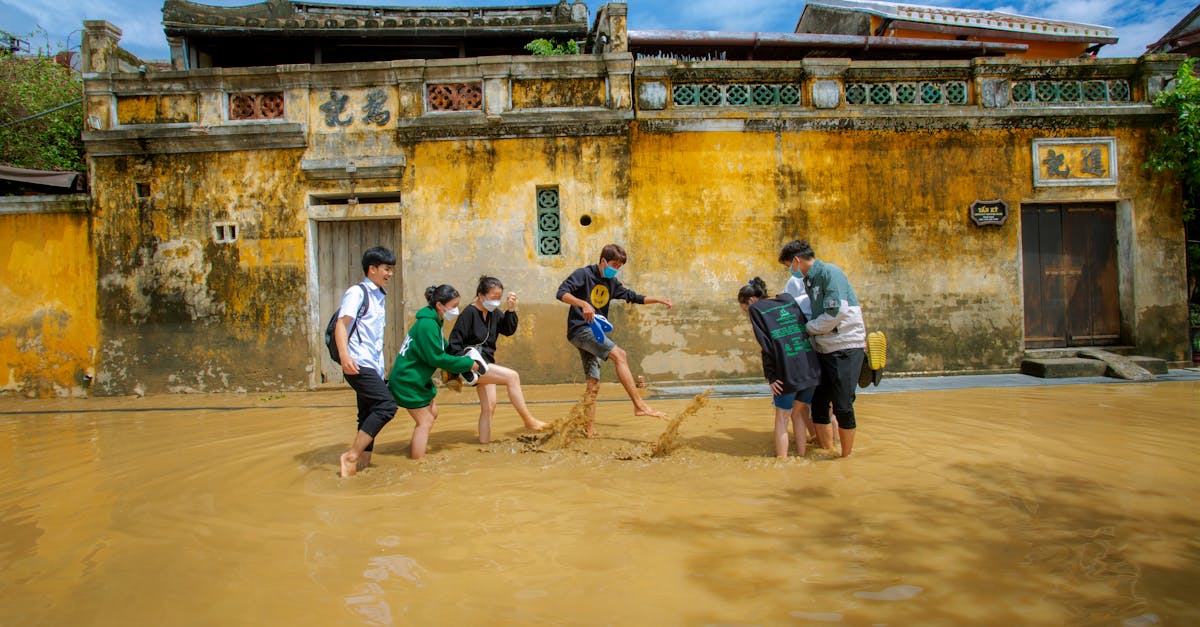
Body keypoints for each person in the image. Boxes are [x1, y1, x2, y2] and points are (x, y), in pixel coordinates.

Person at [556, 243, 673, 436]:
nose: (615, 269)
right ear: (603, 261)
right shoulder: (583, 274)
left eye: (619, 266)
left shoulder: (612, 283)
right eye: (613, 264)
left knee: (593, 383)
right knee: (620, 355)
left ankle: (589, 431)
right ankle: (639, 405)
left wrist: (659, 300)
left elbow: (633, 297)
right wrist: (583, 303)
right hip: (580, 329)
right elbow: (561, 293)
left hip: (594, 332)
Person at [779, 240, 866, 457]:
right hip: (825, 348)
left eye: (789, 265)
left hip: (845, 346)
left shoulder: (830, 273)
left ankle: (846, 457)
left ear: (797, 260)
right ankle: (828, 452)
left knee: (842, 405)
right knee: (818, 404)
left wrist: (806, 330)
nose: (790, 270)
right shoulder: (809, 280)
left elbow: (836, 313)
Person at [386, 284, 482, 461]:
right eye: (453, 306)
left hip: (416, 379)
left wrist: (458, 361)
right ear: (439, 305)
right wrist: (467, 364)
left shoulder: (435, 320)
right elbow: (435, 358)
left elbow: (442, 347)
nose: (456, 310)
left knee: (432, 413)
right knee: (425, 421)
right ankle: (417, 463)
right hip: (407, 380)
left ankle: (415, 447)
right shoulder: (427, 324)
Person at [448, 275, 548, 443]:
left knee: (489, 408)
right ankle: (529, 420)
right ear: (481, 295)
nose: (496, 301)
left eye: (499, 298)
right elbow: (454, 345)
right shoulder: (468, 313)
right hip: (473, 365)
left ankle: (484, 445)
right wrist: (464, 365)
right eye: (493, 297)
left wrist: (510, 309)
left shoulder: (494, 313)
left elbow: (508, 330)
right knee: (512, 377)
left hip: (487, 363)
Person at [738, 277, 821, 458]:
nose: (746, 312)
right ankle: (801, 456)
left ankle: (782, 463)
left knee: (782, 418)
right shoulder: (787, 299)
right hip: (810, 367)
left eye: (743, 308)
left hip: (786, 371)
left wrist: (772, 376)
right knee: (798, 414)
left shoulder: (756, 309)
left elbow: (767, 346)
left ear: (751, 300)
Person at [336, 246, 398, 477]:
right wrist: (345, 357)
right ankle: (351, 455)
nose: (390, 274)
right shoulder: (357, 292)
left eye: (391, 269)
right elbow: (342, 325)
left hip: (372, 364)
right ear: (372, 269)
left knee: (368, 412)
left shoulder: (379, 295)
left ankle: (362, 463)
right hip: (357, 362)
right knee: (386, 406)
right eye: (386, 269)